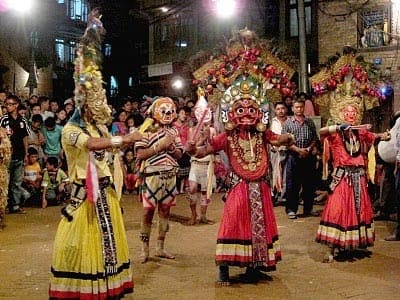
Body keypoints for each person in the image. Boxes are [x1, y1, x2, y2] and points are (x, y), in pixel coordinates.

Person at [49, 9, 141, 298]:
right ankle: (81, 289)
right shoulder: (70, 130)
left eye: (103, 96)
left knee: (109, 242)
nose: (103, 102)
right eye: (96, 97)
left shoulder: (100, 128)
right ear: (84, 102)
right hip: (84, 197)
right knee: (77, 244)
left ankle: (109, 287)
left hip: (107, 195)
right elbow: (90, 146)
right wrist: (124, 139)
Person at [187, 76, 294, 285]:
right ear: (232, 113)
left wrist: (288, 138)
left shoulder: (262, 135)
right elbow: (203, 151)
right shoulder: (227, 136)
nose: (247, 114)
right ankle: (224, 269)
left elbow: (278, 139)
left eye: (252, 110)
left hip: (260, 186)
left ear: (260, 113)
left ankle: (253, 267)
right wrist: (193, 150)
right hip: (238, 186)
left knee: (259, 225)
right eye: (241, 110)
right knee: (233, 223)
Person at [316, 99, 391, 260]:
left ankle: (350, 244)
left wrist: (383, 135)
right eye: (347, 112)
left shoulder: (360, 132)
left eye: (354, 113)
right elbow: (321, 132)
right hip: (342, 177)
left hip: (359, 177)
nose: (351, 115)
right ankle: (331, 249)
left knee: (358, 210)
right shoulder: (336, 133)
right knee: (337, 210)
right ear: (341, 114)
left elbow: (373, 135)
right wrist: (337, 127)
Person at [135, 97, 183, 263]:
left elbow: (179, 155)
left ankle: (160, 248)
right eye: (164, 111)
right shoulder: (145, 130)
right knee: (147, 212)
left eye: (171, 111)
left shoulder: (174, 132)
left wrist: (172, 147)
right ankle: (144, 249)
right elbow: (140, 154)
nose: (168, 114)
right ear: (155, 112)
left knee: (165, 212)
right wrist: (159, 146)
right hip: (151, 177)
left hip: (170, 176)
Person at [282, 99, 319, 219]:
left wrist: (308, 149)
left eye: (301, 107)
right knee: (293, 184)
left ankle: (308, 208)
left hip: (308, 156)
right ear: (292, 109)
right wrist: (298, 150)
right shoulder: (288, 123)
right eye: (297, 107)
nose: (299, 109)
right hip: (294, 156)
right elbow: (284, 141)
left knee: (309, 184)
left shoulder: (309, 122)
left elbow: (314, 138)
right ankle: (291, 210)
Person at [0, 94, 31, 214]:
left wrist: (26, 154)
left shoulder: (22, 120)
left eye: (10, 104)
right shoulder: (3, 120)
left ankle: (15, 205)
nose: (8, 106)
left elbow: (25, 138)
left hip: (19, 154)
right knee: (5, 182)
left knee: (17, 182)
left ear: (16, 105)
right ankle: (4, 205)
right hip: (7, 156)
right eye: (6, 104)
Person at [187, 117, 216, 225]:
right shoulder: (192, 130)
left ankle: (203, 215)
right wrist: (202, 139)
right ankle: (193, 214)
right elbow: (190, 147)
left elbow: (215, 145)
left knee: (205, 192)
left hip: (207, 164)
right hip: (195, 163)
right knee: (192, 189)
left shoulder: (212, 130)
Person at [270, 101, 288, 204]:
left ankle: (284, 196)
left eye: (282, 108)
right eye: (278, 109)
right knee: (275, 173)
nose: (280, 111)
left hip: (287, 150)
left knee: (286, 174)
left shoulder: (290, 121)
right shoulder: (272, 122)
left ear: (286, 109)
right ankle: (274, 195)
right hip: (275, 151)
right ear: (275, 111)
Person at [173, 106, 191, 194]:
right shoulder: (173, 126)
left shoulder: (186, 127)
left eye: (185, 114)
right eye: (182, 113)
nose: (184, 116)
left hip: (185, 150)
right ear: (177, 114)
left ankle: (182, 188)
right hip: (176, 150)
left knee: (185, 170)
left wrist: (186, 148)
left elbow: (188, 138)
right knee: (176, 170)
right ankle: (175, 187)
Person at [0, 111, 11, 229]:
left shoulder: (2, 132)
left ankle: (1, 216)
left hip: (1, 169)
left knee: (2, 195)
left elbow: (6, 152)